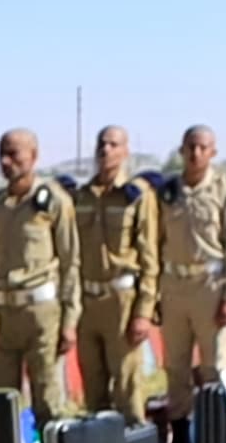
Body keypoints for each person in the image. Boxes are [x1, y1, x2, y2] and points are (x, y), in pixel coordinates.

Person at [153, 125, 226, 443]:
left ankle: (215, 435)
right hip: (174, 287)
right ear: (181, 151)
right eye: (190, 147)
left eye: (202, 148)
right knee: (175, 365)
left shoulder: (224, 193)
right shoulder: (167, 193)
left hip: (210, 287)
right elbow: (156, 243)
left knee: (214, 365)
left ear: (212, 153)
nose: (195, 154)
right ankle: (179, 437)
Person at [0, 128, 78, 421]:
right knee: (1, 400)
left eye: (14, 154)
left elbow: (70, 262)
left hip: (41, 313)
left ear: (33, 157)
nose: (6, 161)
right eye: (2, 154)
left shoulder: (53, 202)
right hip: (2, 313)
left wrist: (70, 321)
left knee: (47, 396)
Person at [68, 125, 160, 419]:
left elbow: (149, 258)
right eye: (101, 145)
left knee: (127, 385)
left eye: (113, 144)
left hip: (122, 300)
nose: (105, 150)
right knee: (92, 386)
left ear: (125, 151)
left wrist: (144, 311)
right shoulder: (81, 196)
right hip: (87, 302)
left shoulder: (136, 196)